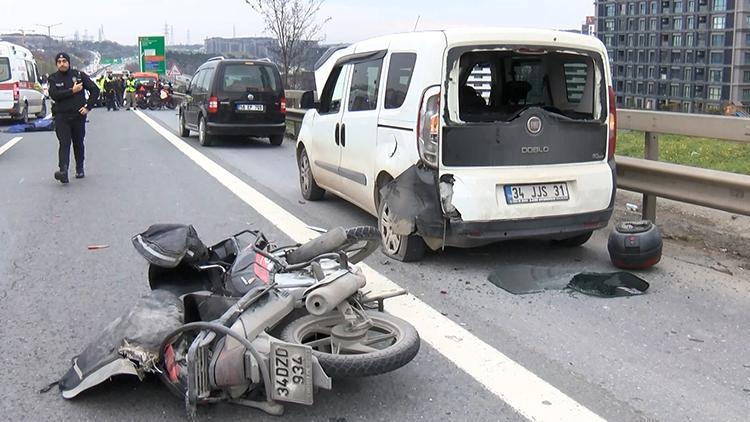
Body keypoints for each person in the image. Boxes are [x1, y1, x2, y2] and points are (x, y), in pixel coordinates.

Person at [47, 52, 100, 183]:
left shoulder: (79, 76)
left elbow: (95, 90)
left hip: (78, 116)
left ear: (69, 62)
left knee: (78, 143)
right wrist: (72, 91)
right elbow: (54, 95)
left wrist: (88, 107)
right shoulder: (53, 78)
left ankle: (79, 168)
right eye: (59, 62)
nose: (62, 64)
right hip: (61, 116)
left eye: (64, 61)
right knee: (64, 143)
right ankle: (63, 170)